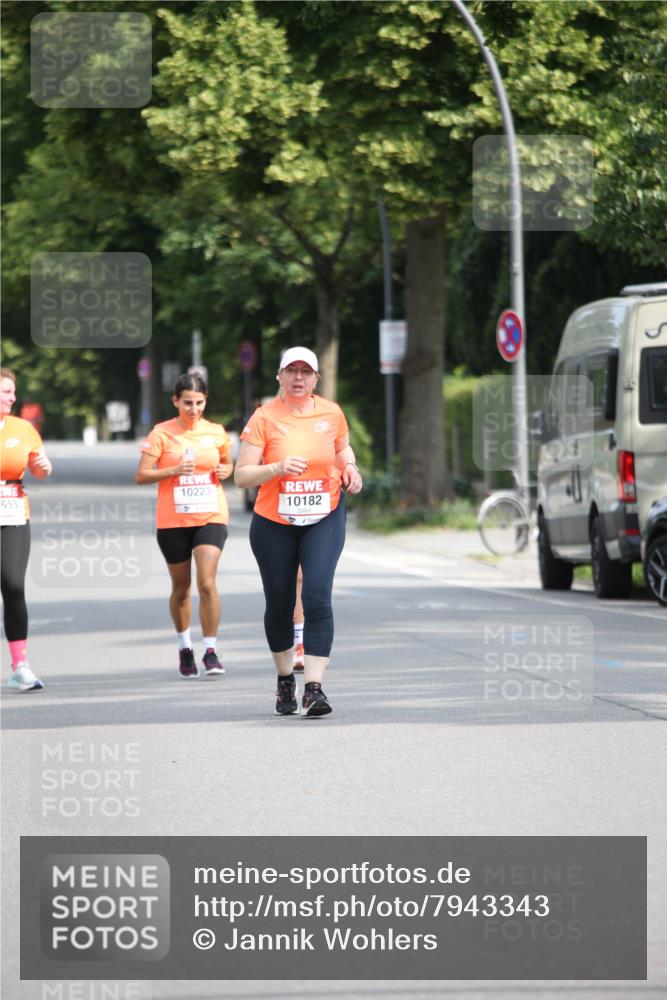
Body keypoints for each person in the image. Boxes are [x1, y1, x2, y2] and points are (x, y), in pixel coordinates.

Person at [235, 347, 363, 717]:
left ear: (316, 379)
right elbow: (242, 475)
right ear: (279, 376)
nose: (298, 378)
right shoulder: (264, 417)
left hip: (324, 513)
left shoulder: (331, 412)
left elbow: (342, 449)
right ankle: (285, 680)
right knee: (279, 604)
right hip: (274, 521)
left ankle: (315, 689)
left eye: (306, 372)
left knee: (317, 596)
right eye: (292, 371)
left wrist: (351, 468)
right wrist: (275, 468)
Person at [135, 373, 233, 678]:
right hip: (173, 520)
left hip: (210, 515)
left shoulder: (216, 432)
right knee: (182, 589)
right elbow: (142, 474)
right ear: (175, 401)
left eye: (199, 402)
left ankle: (212, 650)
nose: (194, 409)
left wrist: (225, 469)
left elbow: (228, 464)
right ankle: (185, 647)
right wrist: (175, 469)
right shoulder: (162, 434)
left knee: (206, 582)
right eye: (187, 402)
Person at [0, 368, 53, 692]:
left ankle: (20, 665)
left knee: (13, 584)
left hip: (13, 510)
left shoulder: (24, 428)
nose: (12, 397)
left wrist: (43, 467)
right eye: (6, 391)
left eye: (13, 392)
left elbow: (39, 465)